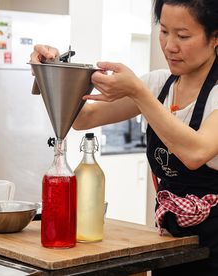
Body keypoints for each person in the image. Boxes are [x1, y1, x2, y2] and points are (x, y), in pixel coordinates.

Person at [31, 0, 218, 275]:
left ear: (215, 37)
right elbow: (83, 118)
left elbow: (195, 153)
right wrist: (52, 72)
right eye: (164, 31)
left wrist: (139, 94)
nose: (169, 46)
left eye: (183, 35)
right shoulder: (159, 84)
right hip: (171, 246)